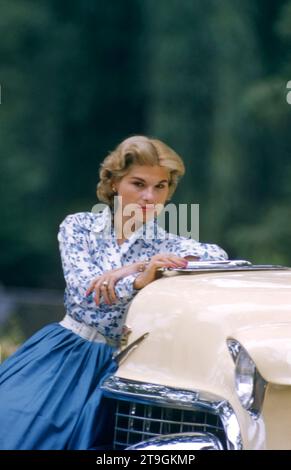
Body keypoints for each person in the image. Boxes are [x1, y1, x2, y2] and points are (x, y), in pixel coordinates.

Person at [0, 135, 227, 450]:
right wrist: (138, 280)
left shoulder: (169, 244)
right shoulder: (79, 226)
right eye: (138, 183)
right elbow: (85, 292)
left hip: (129, 367)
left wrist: (133, 267)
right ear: (114, 184)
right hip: (67, 354)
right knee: (18, 432)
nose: (150, 196)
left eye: (160, 187)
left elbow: (218, 256)